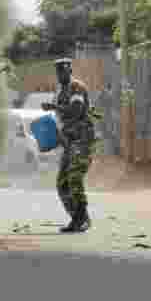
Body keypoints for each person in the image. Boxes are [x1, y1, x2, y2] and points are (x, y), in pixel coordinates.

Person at [42, 58, 96, 233]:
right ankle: (78, 217)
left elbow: (77, 110)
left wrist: (54, 106)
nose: (60, 75)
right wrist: (53, 138)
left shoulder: (76, 87)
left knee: (74, 177)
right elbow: (61, 120)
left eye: (64, 71)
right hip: (69, 141)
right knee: (62, 183)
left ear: (70, 71)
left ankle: (80, 217)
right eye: (58, 72)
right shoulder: (60, 91)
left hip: (82, 139)